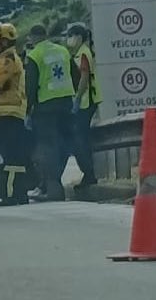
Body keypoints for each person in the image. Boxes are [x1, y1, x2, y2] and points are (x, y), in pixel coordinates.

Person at [25, 24, 75, 202]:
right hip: (66, 104)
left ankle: (52, 187)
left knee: (48, 147)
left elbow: (30, 87)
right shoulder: (63, 51)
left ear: (32, 37)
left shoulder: (34, 55)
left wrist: (27, 110)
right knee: (63, 146)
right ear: (45, 35)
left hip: (45, 107)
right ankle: (52, 184)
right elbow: (74, 75)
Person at [0, 23, 29, 206]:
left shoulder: (8, 60)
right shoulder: (2, 60)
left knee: (11, 157)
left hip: (8, 114)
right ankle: (18, 193)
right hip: (7, 115)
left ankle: (11, 195)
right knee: (13, 156)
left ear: (2, 41)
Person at [66, 22, 102, 189]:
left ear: (79, 37)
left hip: (86, 101)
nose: (69, 39)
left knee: (79, 140)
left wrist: (77, 98)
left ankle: (89, 174)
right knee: (80, 139)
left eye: (71, 36)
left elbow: (84, 77)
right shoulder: (81, 52)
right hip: (87, 100)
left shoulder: (83, 53)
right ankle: (88, 174)